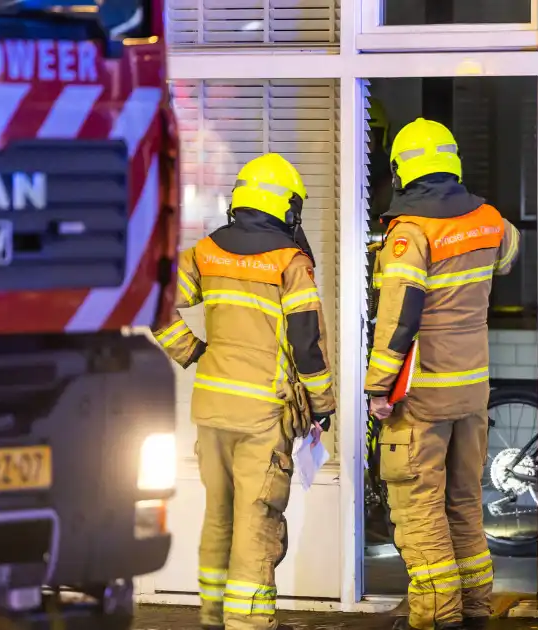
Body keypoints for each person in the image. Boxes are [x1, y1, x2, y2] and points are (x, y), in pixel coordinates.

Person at [153, 153, 336, 630]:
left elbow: (154, 297)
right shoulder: (289, 262)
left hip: (211, 409)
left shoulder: (207, 252)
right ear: (286, 207)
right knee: (257, 523)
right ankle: (249, 623)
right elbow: (307, 343)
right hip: (261, 415)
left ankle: (215, 617)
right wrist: (322, 406)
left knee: (219, 518)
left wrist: (191, 351)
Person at [366, 118, 521, 630]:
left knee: (420, 508)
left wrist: (378, 389)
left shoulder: (409, 234)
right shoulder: (491, 221)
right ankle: (474, 609)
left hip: (422, 396)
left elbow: (398, 318)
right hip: (471, 392)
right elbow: (507, 255)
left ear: (400, 171)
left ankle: (436, 618)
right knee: (464, 502)